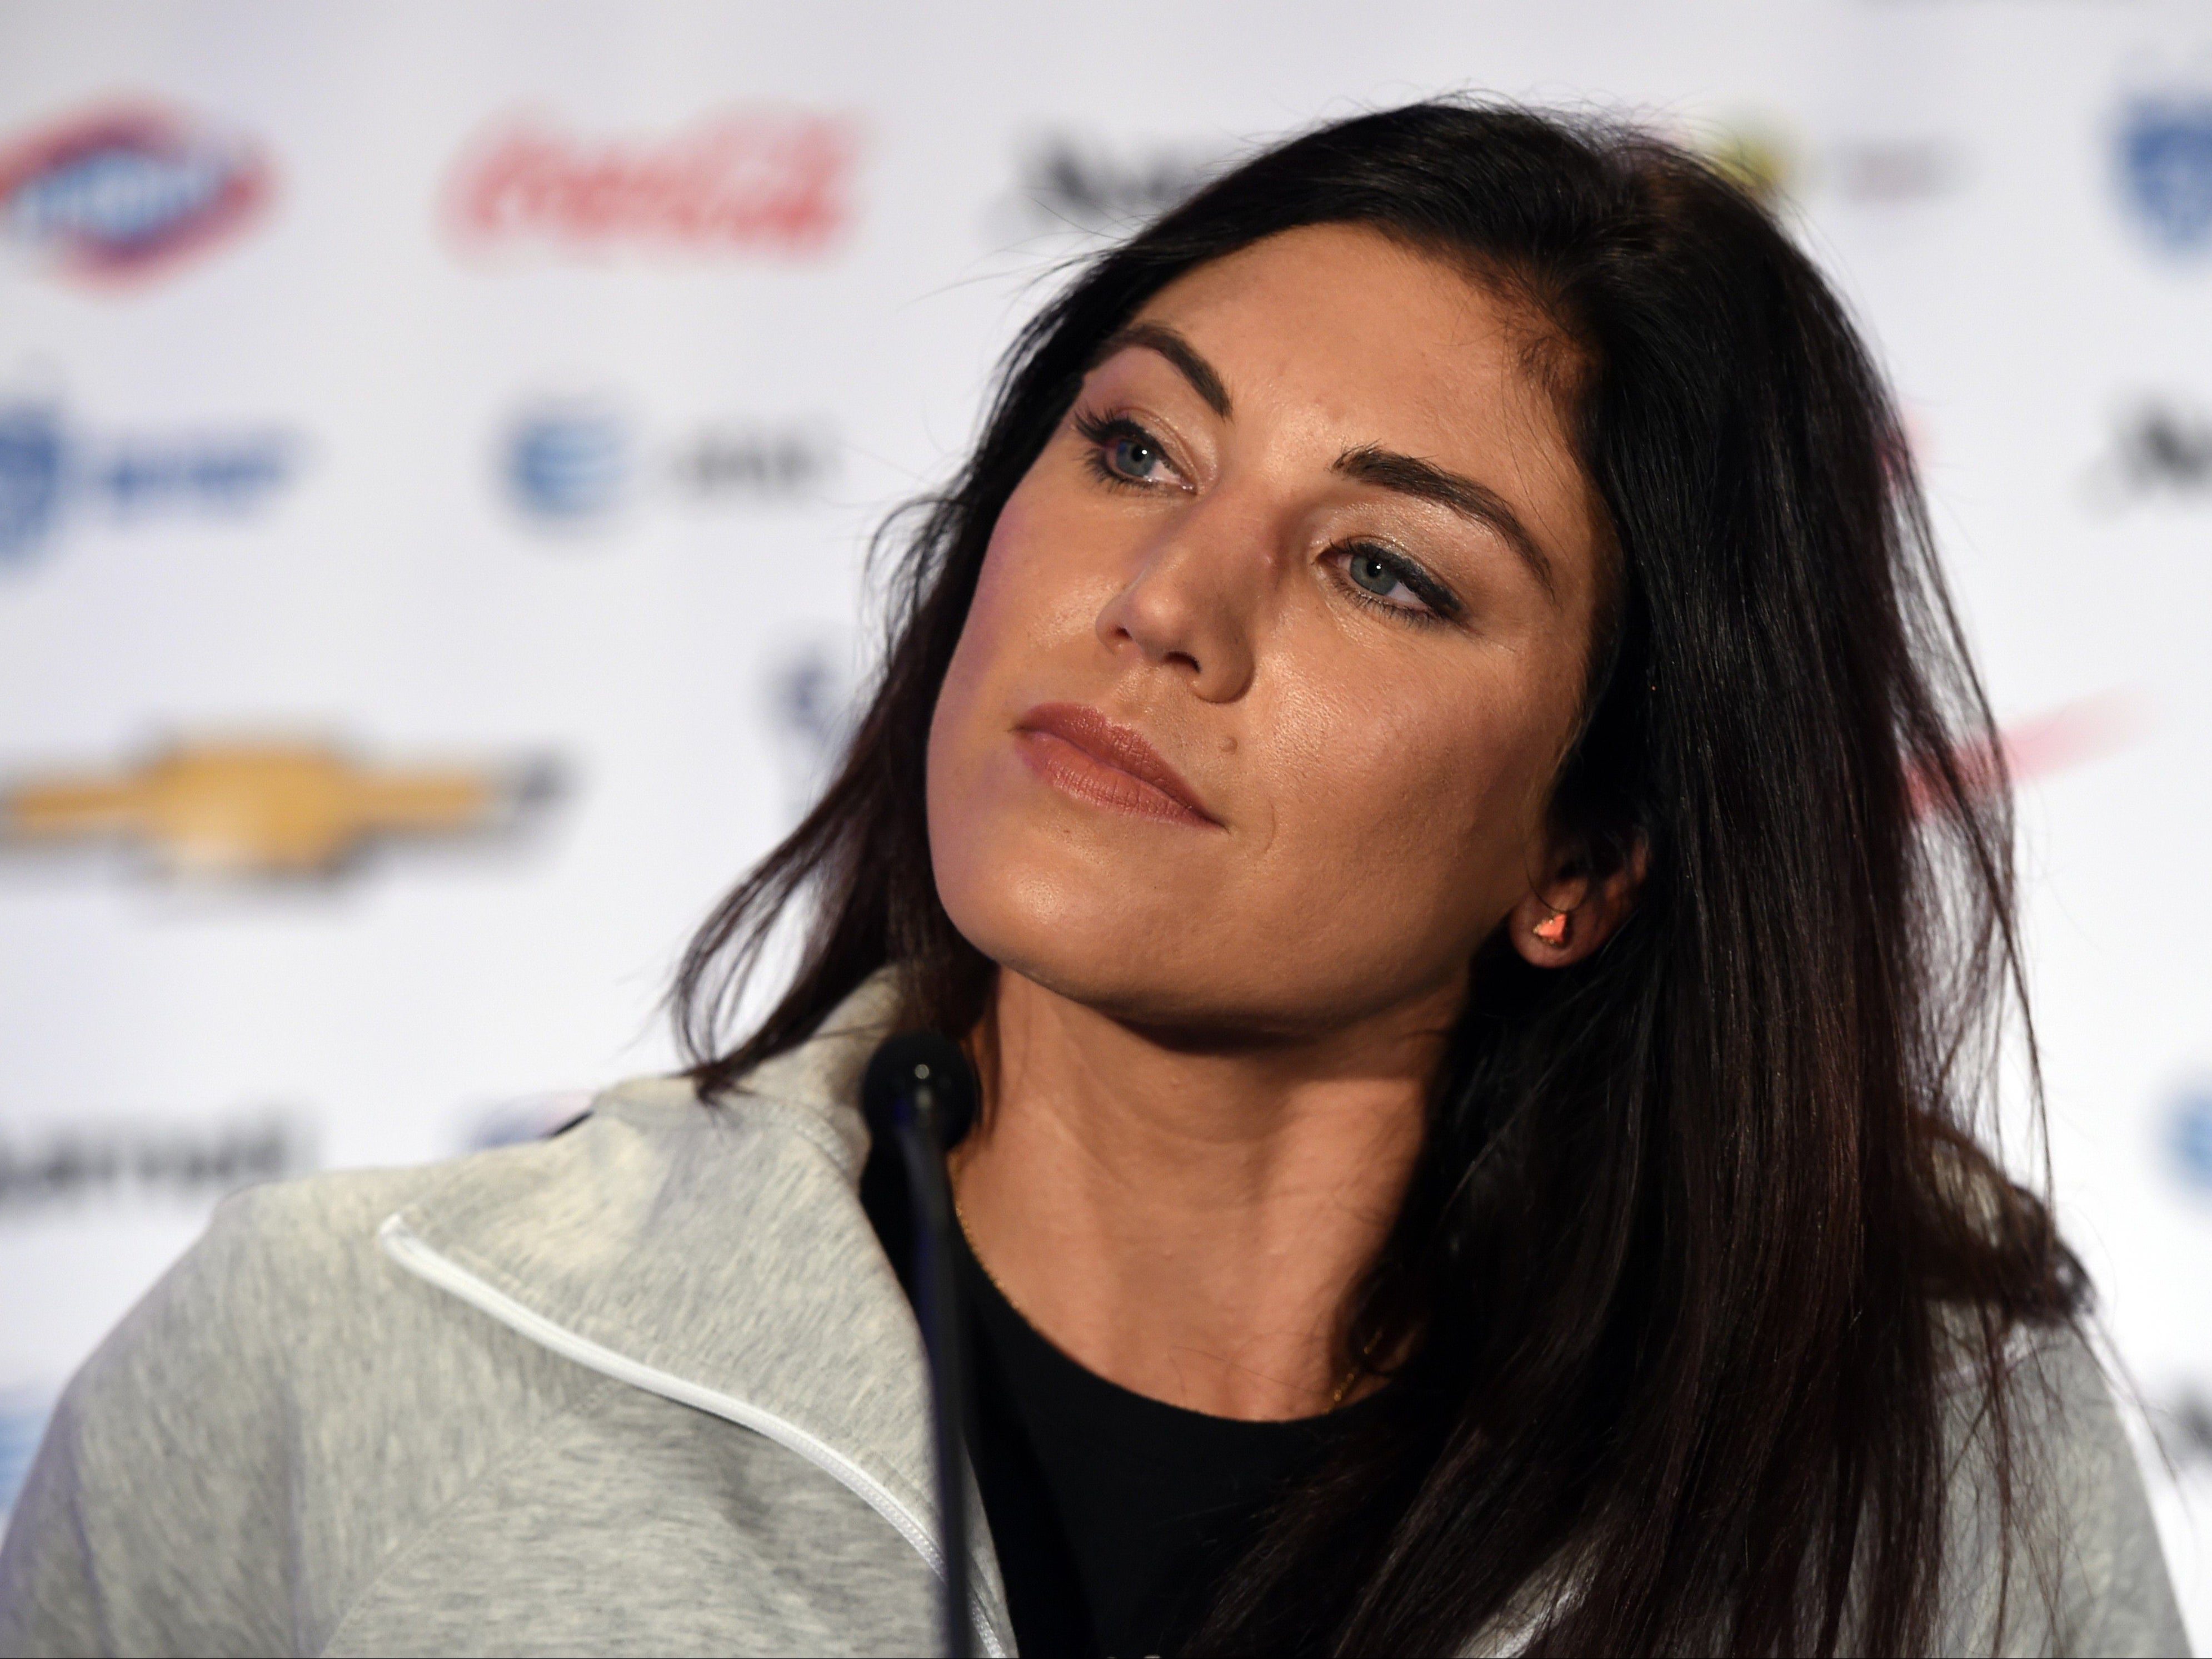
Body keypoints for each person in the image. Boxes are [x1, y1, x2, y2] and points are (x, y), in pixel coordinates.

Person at [0, 101, 2186, 1659]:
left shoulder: (1931, 1466)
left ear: (1591, 858)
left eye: (1383, 570)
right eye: (1134, 446)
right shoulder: (338, 1363)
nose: (1162, 600)